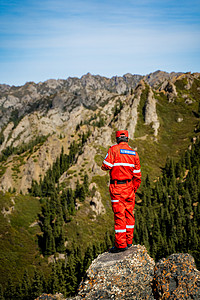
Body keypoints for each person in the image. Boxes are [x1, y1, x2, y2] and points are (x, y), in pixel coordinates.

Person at [101, 130, 141, 253]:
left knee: (119, 215)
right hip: (129, 187)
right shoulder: (134, 154)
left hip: (117, 187)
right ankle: (129, 242)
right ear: (127, 139)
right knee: (129, 215)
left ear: (117, 139)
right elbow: (137, 176)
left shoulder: (113, 150)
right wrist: (133, 188)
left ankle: (120, 245)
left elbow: (105, 166)